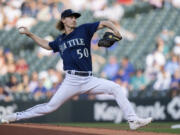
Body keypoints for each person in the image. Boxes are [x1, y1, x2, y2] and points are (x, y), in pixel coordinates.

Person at [0, 9, 152, 130]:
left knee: (116, 88)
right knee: (49, 107)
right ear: (63, 20)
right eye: (71, 17)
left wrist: (116, 31)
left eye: (75, 17)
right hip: (71, 80)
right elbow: (47, 45)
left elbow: (105, 22)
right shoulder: (60, 40)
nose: (74, 19)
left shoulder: (84, 29)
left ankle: (133, 120)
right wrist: (30, 34)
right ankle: (14, 116)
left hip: (89, 79)